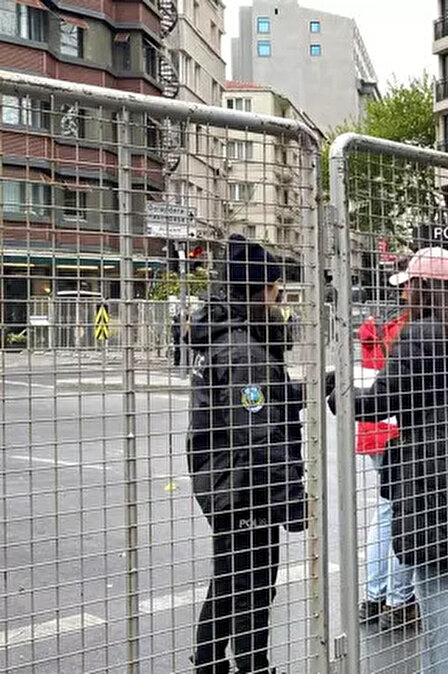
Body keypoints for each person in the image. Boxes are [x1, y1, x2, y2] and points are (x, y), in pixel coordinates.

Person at [329, 247, 448, 674]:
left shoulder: (420, 336)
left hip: (428, 478)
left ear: (421, 288)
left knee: (432, 588)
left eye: (408, 286)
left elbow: (381, 399)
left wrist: (337, 390)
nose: (403, 296)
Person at [187, 234, 308, 674]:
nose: (281, 301)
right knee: (252, 584)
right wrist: (290, 499)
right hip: (240, 487)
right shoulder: (243, 348)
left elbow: (249, 405)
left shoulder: (232, 337)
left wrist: (304, 391)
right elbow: (258, 435)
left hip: (226, 480)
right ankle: (251, 665)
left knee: (232, 579)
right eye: (277, 291)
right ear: (258, 292)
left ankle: (210, 663)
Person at [355, 270, 417, 630]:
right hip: (396, 429)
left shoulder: (378, 328)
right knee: (404, 510)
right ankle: (398, 597)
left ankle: (375, 595)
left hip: (373, 431)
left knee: (386, 511)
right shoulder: (406, 330)